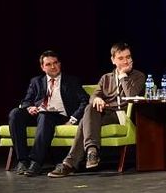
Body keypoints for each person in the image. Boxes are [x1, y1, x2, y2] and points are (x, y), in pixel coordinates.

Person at [48, 42, 145, 177]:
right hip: (106, 112)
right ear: (113, 60)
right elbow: (94, 95)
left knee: (84, 122)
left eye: (128, 57)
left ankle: (70, 163)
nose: (125, 61)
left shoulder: (139, 76)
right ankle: (91, 152)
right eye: (121, 58)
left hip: (122, 114)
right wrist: (97, 99)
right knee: (90, 108)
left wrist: (123, 76)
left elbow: (131, 95)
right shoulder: (106, 78)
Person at [8, 50, 89, 177]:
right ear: (42, 67)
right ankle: (22, 161)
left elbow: (85, 101)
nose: (53, 66)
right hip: (39, 114)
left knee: (45, 116)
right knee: (15, 114)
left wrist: (73, 119)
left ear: (60, 64)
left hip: (59, 115)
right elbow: (26, 101)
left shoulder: (71, 81)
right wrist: (29, 107)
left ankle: (36, 162)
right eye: (48, 64)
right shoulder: (36, 81)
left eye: (55, 63)